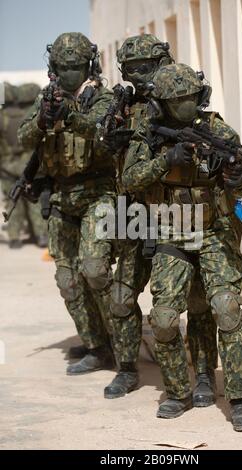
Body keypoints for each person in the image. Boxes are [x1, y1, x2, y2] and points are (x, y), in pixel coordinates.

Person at [122, 63, 242, 431]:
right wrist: (165, 160)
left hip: (214, 231)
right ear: (163, 103)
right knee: (164, 318)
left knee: (227, 309)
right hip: (170, 231)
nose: (184, 105)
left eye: (189, 98)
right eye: (175, 100)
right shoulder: (148, 134)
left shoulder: (216, 129)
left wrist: (236, 178)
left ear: (200, 97)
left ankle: (239, 397)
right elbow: (129, 178)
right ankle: (178, 392)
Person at [100, 35, 218, 408]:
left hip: (178, 211)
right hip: (131, 207)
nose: (141, 76)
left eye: (147, 66)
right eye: (132, 70)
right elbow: (108, 151)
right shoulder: (121, 105)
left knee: (198, 301)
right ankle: (127, 368)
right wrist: (112, 137)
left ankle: (201, 374)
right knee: (121, 294)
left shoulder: (178, 97)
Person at [18, 33, 116, 375]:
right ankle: (95, 345)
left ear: (88, 65)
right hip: (62, 196)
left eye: (75, 67)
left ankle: (123, 342)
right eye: (63, 66)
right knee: (67, 278)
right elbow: (23, 137)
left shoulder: (101, 98)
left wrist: (70, 113)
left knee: (95, 269)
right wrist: (45, 119)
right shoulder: (46, 98)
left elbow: (102, 133)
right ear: (53, 67)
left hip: (99, 195)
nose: (69, 73)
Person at [0, 82, 48, 248]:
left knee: (13, 200)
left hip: (8, 165)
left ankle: (14, 238)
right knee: (34, 199)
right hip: (30, 164)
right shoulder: (32, 113)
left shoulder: (3, 116)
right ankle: (41, 235)